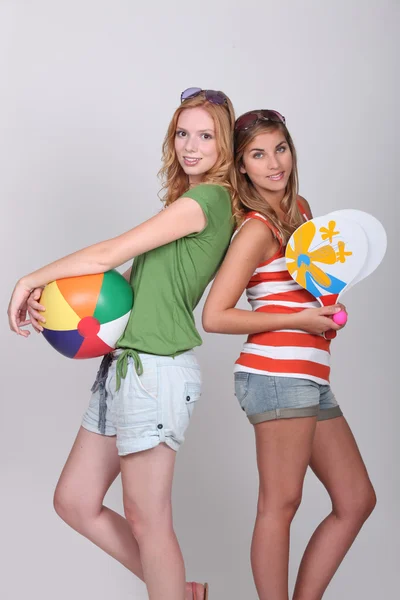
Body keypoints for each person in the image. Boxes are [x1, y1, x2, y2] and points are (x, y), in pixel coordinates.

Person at [8, 88, 236, 600]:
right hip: (126, 366)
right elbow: (126, 291)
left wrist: (28, 281)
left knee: (147, 519)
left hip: (157, 371)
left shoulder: (207, 200)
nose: (191, 146)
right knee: (75, 500)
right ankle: (181, 592)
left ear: (225, 145)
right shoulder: (186, 202)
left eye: (206, 136)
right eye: (183, 133)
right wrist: (65, 309)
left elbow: (109, 253)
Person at [202, 109, 376, 600]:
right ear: (241, 167)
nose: (273, 162)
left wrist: (324, 311)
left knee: (356, 499)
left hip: (308, 372)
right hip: (274, 373)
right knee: (279, 505)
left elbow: (303, 288)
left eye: (280, 148)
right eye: (258, 154)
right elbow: (216, 315)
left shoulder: (300, 210)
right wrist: (298, 321)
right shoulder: (255, 229)